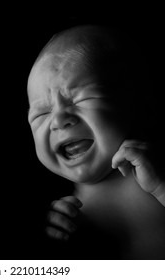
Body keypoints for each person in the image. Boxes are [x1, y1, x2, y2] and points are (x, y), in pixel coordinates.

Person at [27, 24, 165, 259]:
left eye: (82, 99)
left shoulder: (158, 169)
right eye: (41, 113)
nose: (58, 120)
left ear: (141, 106)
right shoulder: (66, 215)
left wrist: (161, 187)